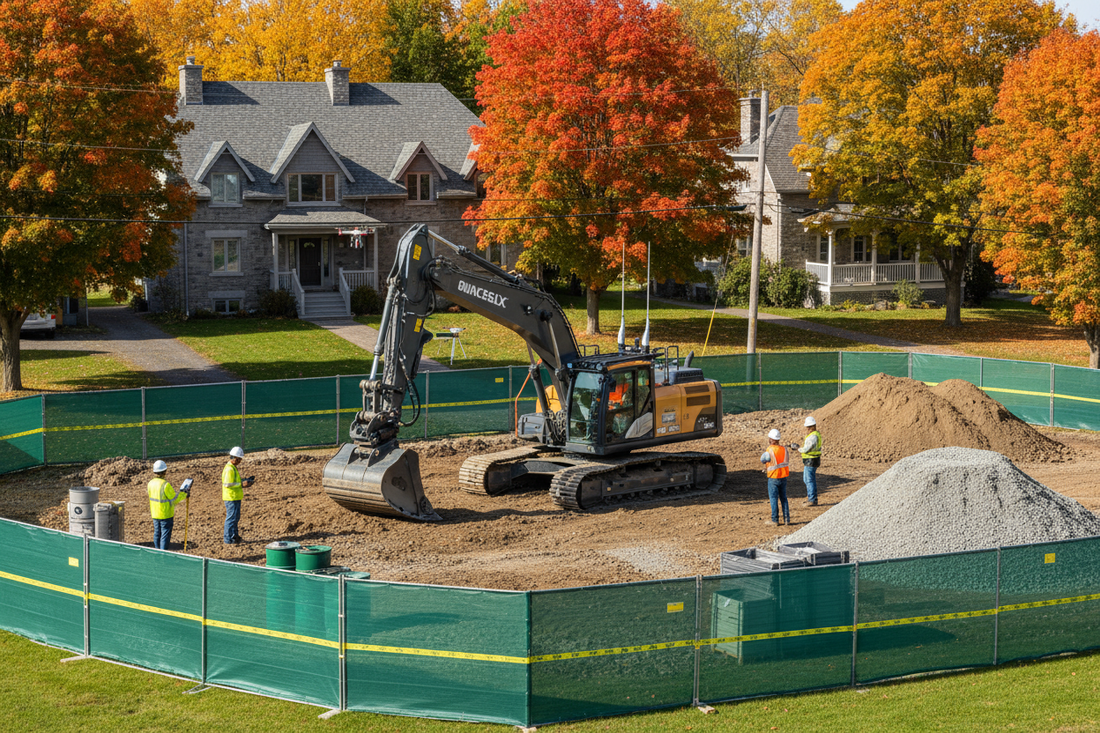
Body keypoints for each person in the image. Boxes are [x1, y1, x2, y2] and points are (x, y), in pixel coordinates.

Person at [148, 460, 188, 550]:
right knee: (165, 535)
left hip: (155, 514)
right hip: (165, 514)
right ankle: (163, 554)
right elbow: (174, 499)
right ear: (165, 471)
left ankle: (157, 552)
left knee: (157, 533)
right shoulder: (165, 485)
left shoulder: (150, 483)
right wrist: (184, 494)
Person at [222, 446, 254, 544]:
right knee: (231, 518)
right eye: (239, 460)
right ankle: (228, 539)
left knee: (235, 518)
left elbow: (233, 482)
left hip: (234, 496)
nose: (240, 462)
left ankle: (234, 537)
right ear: (235, 459)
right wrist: (241, 484)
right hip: (231, 497)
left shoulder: (232, 468)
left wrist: (244, 480)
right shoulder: (229, 469)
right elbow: (227, 484)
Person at [760, 428, 790, 526]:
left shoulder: (769, 449)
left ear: (772, 439)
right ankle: (787, 520)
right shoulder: (784, 449)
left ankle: (775, 520)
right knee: (784, 498)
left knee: (773, 499)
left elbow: (765, 460)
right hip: (783, 476)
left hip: (773, 477)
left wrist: (766, 466)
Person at [793, 416, 823, 506]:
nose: (807, 429)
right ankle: (811, 497)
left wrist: (798, 448)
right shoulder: (815, 435)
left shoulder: (813, 436)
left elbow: (806, 449)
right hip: (812, 460)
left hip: (811, 460)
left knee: (809, 480)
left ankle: (812, 500)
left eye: (808, 427)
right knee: (807, 479)